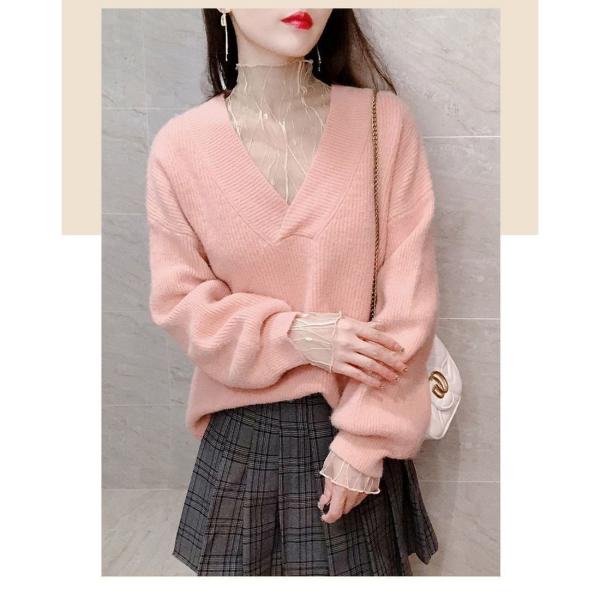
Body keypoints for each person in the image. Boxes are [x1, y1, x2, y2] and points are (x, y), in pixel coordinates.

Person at [145, 7, 440, 576]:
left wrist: (364, 441)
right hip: (243, 439)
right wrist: (297, 334)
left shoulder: (383, 124)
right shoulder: (179, 147)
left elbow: (410, 303)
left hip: (354, 428)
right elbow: (182, 304)